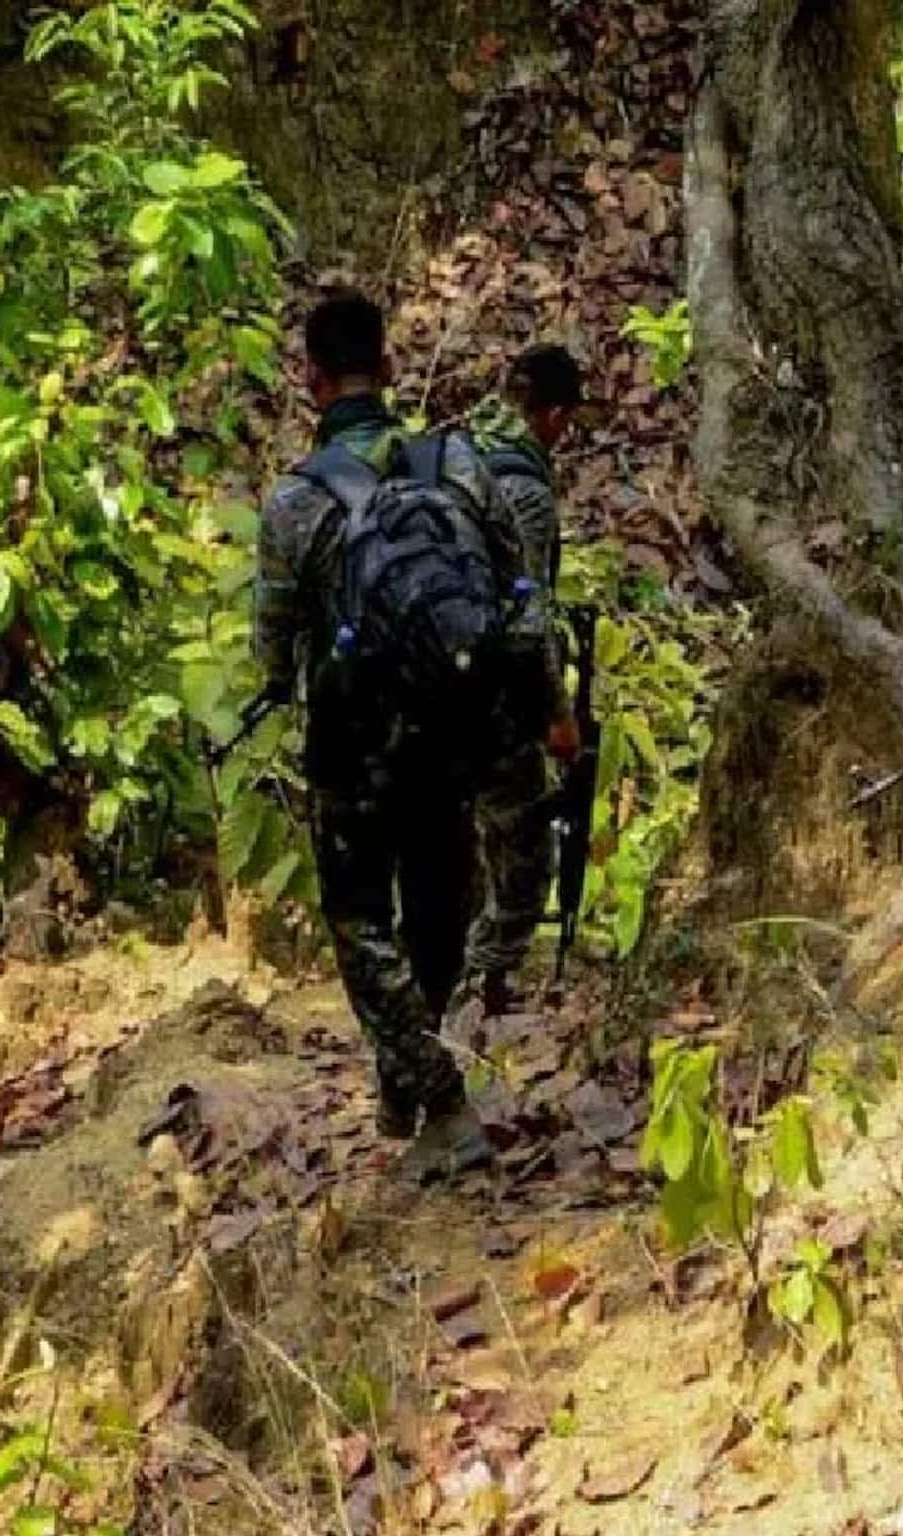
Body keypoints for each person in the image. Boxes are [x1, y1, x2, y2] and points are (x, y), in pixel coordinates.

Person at [254, 290, 571, 1182]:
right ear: (391, 371)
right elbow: (524, 606)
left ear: (312, 381)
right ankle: (410, 1073)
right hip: (454, 730)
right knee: (441, 911)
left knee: (361, 923)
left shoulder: (293, 504)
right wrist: (551, 713)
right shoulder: (458, 464)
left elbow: (272, 656)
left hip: (353, 744)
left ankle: (438, 1097)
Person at [463, 344, 587, 1016]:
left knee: (459, 848)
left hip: (419, 683)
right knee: (521, 854)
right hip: (492, 695)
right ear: (554, 414)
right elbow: (526, 615)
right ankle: (472, 1002)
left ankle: (451, 978)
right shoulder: (524, 491)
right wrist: (556, 713)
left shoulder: (451, 452)